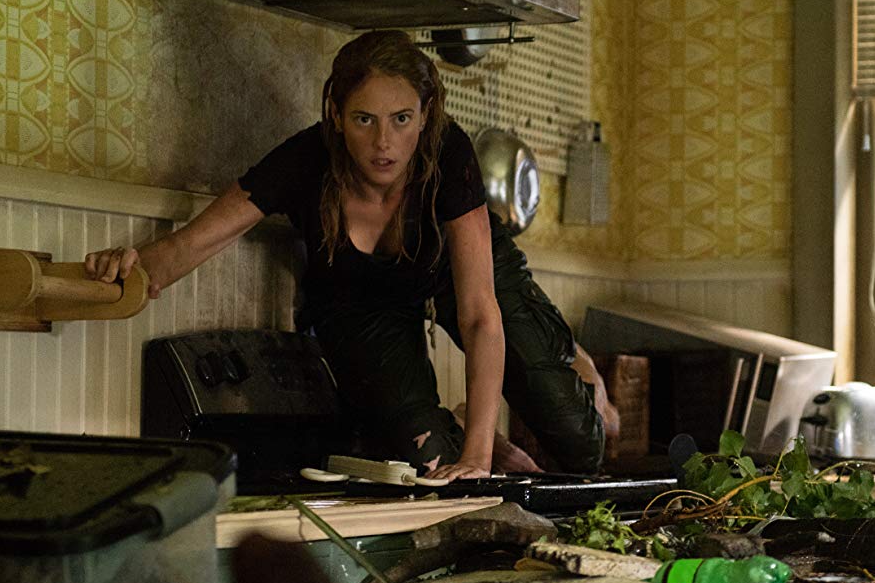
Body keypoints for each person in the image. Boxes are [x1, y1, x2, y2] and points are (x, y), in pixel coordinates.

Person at [84, 30, 603, 482]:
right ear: (336, 115)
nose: (384, 142)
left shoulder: (449, 152)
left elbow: (479, 315)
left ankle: (578, 368)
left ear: (425, 115)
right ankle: (468, 427)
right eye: (364, 119)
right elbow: (188, 245)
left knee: (580, 442)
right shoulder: (304, 160)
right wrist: (127, 265)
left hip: (462, 271)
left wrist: (479, 456)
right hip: (361, 304)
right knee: (429, 469)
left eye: (402, 119)